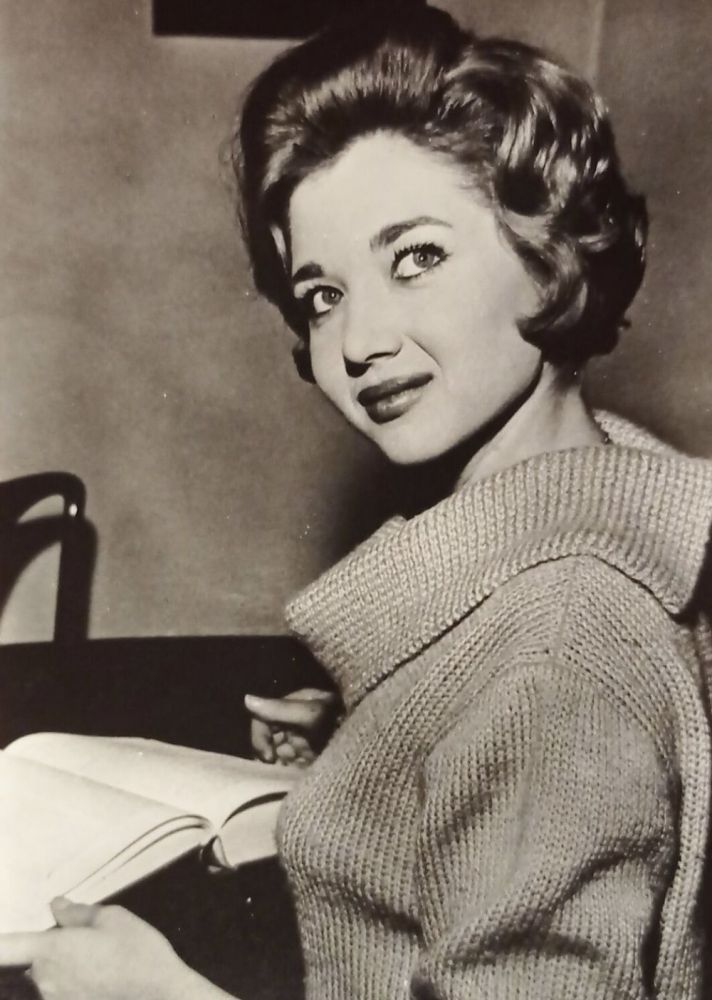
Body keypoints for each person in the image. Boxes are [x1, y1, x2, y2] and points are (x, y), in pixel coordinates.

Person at [2, 5, 711, 999]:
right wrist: (376, 752)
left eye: (415, 258)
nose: (359, 341)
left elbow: (545, 709)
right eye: (321, 295)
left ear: (548, 253)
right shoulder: (595, 536)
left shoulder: (556, 648)